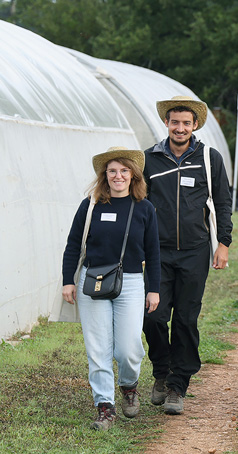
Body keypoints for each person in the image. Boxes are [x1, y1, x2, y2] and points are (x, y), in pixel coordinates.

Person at [143, 95, 233, 415]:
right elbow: (139, 207)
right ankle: (161, 371)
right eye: (174, 122)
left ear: (195, 125)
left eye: (186, 123)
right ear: (166, 123)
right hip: (157, 253)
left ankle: (177, 386)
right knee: (152, 316)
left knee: (185, 319)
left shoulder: (209, 158)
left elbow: (222, 203)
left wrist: (223, 243)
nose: (180, 128)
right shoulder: (148, 160)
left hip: (195, 251)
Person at [61, 147, 161, 431]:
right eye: (112, 171)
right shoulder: (90, 205)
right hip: (92, 282)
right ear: (105, 176)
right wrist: (68, 280)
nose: (118, 176)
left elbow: (153, 253)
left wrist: (153, 288)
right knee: (98, 348)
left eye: (124, 171)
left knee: (130, 348)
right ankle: (105, 406)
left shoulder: (144, 208)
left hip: (129, 283)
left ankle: (129, 385)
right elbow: (73, 245)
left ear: (133, 175)